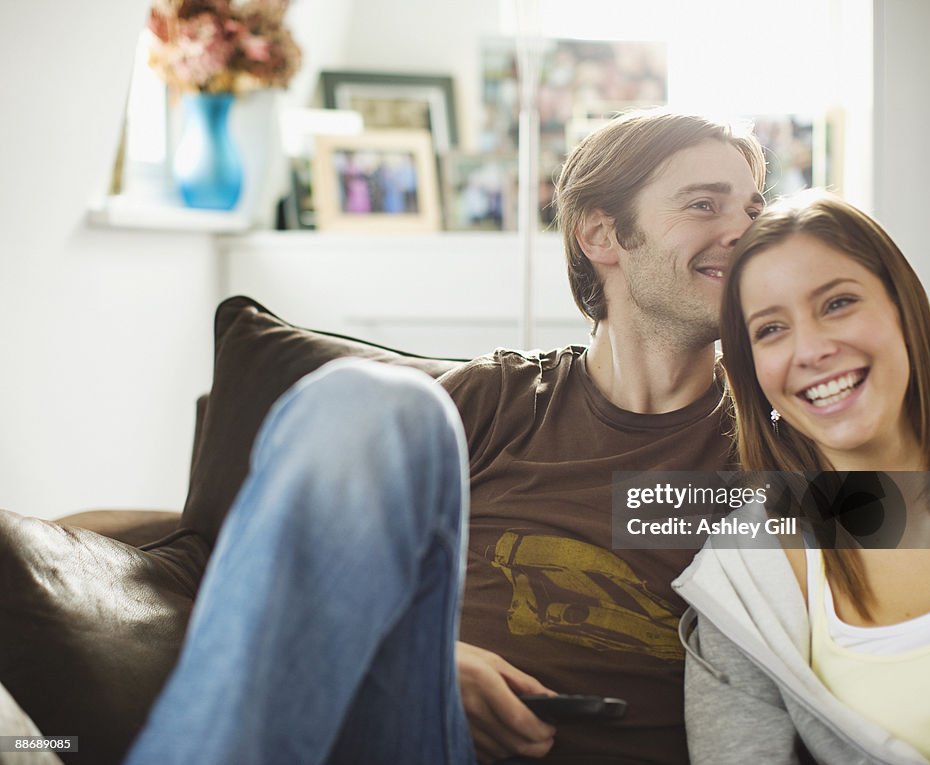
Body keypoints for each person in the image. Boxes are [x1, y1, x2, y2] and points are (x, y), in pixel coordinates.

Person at [125, 108, 769, 765]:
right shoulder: (494, 403)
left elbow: (873, 559)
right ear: (602, 234)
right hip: (423, 739)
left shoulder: (779, 443)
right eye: (703, 205)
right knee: (373, 398)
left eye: (754, 209)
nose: (745, 231)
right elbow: (285, 564)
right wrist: (428, 660)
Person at [674, 191, 930, 764]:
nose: (811, 349)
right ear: (752, 372)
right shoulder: (745, 584)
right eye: (770, 330)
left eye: (837, 303)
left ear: (902, 310)